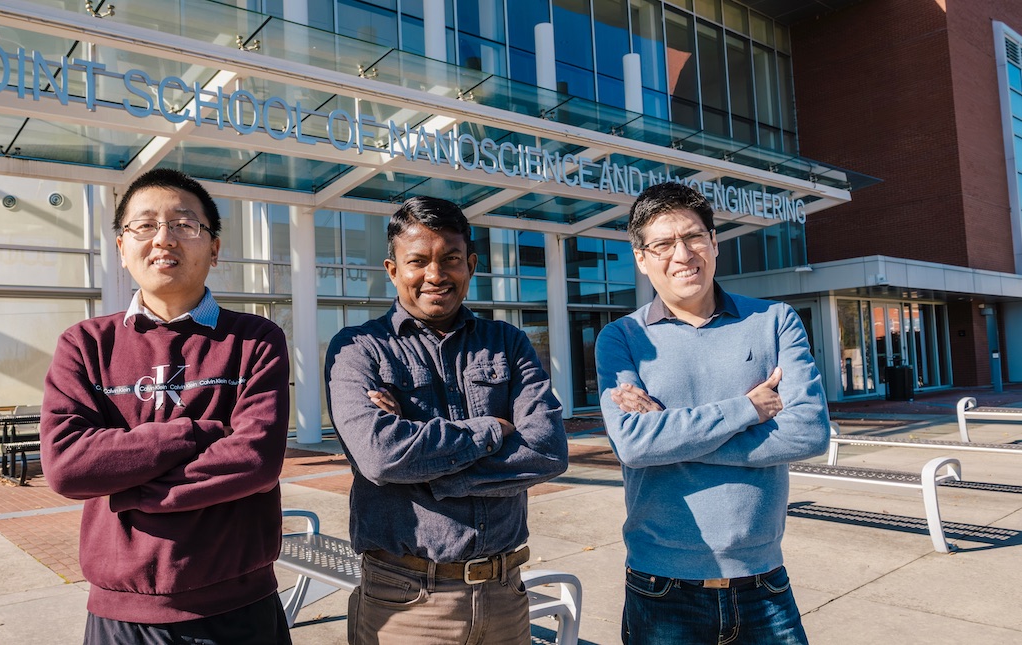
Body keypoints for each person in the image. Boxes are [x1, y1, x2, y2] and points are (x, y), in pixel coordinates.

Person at [40, 168, 292, 644]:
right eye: (144, 225)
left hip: (238, 604)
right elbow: (68, 467)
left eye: (184, 224)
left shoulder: (255, 340)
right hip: (122, 611)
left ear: (214, 247)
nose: (164, 238)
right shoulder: (86, 344)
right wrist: (196, 434)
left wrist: (129, 490)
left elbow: (257, 461)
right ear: (120, 247)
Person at [324, 196, 569, 645]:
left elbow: (548, 450)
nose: (435, 275)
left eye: (450, 259)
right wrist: (492, 429)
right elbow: (380, 457)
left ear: (471, 265)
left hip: (505, 594)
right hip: (405, 601)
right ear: (393, 269)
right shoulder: (359, 349)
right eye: (417, 261)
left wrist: (427, 471)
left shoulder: (508, 342)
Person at [595, 182, 830, 644]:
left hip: (763, 580)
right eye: (663, 244)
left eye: (694, 237)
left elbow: (808, 433)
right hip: (660, 586)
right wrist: (746, 408)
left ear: (715, 243)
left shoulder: (775, 321)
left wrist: (674, 438)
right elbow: (635, 446)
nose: (682, 254)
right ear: (641, 259)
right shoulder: (621, 338)